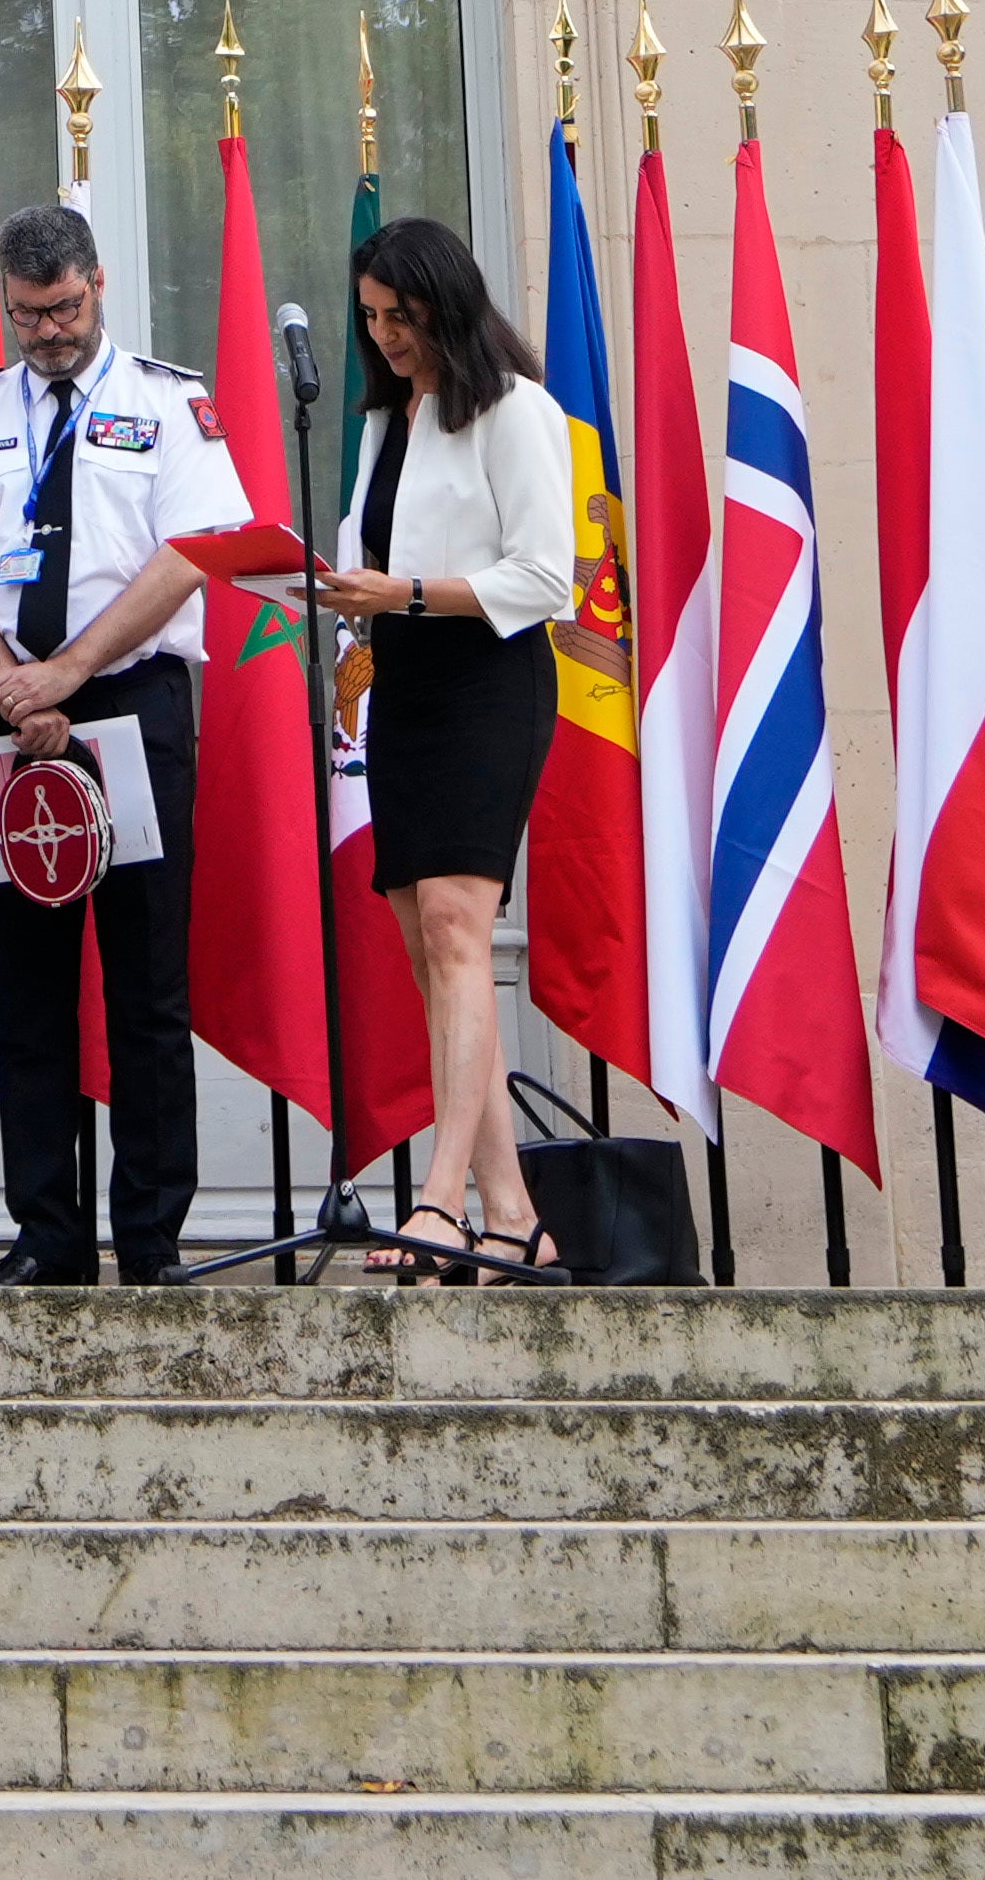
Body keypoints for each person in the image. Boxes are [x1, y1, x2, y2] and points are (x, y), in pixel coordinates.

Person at [0, 201, 250, 1284]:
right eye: (25, 313)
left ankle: (148, 1237)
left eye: (61, 308)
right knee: (30, 985)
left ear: (98, 283)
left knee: (145, 985)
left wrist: (70, 670)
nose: (45, 331)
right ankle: (48, 1234)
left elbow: (190, 554)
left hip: (127, 706)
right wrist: (12, 679)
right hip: (5, 714)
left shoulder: (167, 402)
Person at [309, 213, 565, 1278]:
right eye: (369, 319)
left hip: (486, 680)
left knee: (461, 927)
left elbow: (546, 575)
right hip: (401, 687)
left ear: (444, 304)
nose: (383, 338)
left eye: (398, 316)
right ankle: (516, 1215)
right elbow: (368, 559)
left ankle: (441, 1199)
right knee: (433, 951)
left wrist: (404, 591)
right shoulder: (384, 421)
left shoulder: (516, 409)